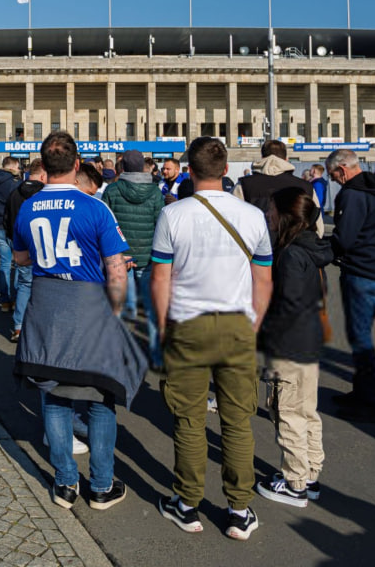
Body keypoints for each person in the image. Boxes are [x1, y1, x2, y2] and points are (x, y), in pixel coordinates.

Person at [13, 131, 145, 512]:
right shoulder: (94, 207)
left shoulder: (29, 207)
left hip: (46, 305)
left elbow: (21, 259)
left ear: (42, 165)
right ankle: (101, 485)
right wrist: (116, 312)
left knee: (53, 394)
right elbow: (116, 269)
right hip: (89, 306)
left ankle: (66, 482)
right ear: (76, 165)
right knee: (100, 396)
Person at [151, 136, 272, 541]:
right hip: (238, 323)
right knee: (238, 421)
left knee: (188, 418)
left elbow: (160, 278)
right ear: (226, 171)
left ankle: (187, 504)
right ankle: (239, 509)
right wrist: (253, 324)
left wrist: (164, 327)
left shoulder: (173, 215)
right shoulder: (252, 216)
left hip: (187, 324)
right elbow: (264, 278)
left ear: (189, 169)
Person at [256, 190, 334, 509]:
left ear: (285, 215)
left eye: (272, 210)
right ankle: (310, 474)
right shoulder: (312, 248)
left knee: (286, 411)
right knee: (305, 411)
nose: (268, 215)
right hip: (309, 341)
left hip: (289, 344)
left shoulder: (289, 254)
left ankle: (294, 482)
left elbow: (287, 304)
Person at [325, 148, 375, 425]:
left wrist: (321, 249)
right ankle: (361, 392)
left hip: (360, 272)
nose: (333, 181)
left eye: (333, 175)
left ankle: (374, 403)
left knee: (360, 338)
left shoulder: (351, 195)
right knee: (362, 333)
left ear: (342, 169)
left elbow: (344, 238)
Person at [102, 150, 164, 370]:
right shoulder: (155, 192)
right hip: (148, 257)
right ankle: (157, 357)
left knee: (120, 309)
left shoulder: (112, 190)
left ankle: (120, 354)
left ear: (123, 167)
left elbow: (106, 225)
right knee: (152, 310)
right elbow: (160, 226)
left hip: (121, 256)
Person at [232, 140, 323, 237]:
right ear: (286, 159)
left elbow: (232, 219)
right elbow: (318, 226)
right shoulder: (306, 186)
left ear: (262, 158)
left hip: (255, 247)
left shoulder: (244, 184)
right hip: (296, 247)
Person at [4, 159, 47, 343]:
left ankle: (19, 327)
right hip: (42, 246)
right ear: (43, 174)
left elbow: (7, 219)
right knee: (44, 288)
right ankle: (40, 329)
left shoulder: (15, 192)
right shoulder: (45, 193)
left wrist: (14, 241)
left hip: (20, 244)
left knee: (24, 285)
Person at [0, 157, 22, 313]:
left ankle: (5, 300)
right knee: (19, 264)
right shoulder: (15, 184)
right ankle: (16, 298)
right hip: (13, 226)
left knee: (5, 265)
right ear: (13, 166)